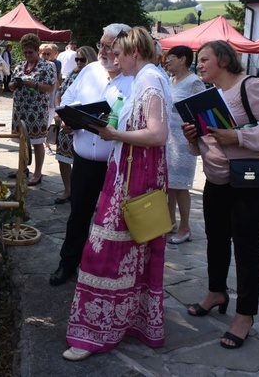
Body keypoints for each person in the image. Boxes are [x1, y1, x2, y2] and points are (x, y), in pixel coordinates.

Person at [63, 26, 172, 361]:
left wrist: (113, 134)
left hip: (134, 177)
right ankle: (126, 321)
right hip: (131, 171)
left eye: (119, 53)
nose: (114, 59)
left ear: (134, 53)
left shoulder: (149, 80)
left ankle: (96, 330)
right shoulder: (147, 78)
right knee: (131, 253)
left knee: (105, 251)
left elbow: (157, 134)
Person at [182, 40, 259, 349]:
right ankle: (216, 292)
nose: (198, 65)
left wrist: (238, 135)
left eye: (204, 59)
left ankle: (245, 314)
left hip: (252, 184)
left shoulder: (250, 87)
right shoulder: (204, 97)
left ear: (224, 61)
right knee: (216, 240)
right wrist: (192, 138)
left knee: (246, 248)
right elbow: (203, 147)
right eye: (197, 61)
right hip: (217, 181)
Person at [48, 23, 133, 286]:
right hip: (84, 159)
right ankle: (68, 263)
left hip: (117, 163)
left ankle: (106, 269)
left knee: (114, 221)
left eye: (109, 47)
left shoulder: (135, 78)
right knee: (78, 215)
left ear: (123, 47)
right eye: (101, 45)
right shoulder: (90, 70)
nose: (103, 51)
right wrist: (68, 119)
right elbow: (69, 99)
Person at [165, 45, 206, 244]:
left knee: (181, 186)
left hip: (184, 139)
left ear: (183, 59)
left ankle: (185, 226)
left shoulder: (194, 82)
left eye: (170, 58)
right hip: (168, 139)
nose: (166, 62)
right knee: (169, 184)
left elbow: (201, 112)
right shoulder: (170, 80)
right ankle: (170, 220)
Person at [10, 33, 57, 186]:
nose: (27, 55)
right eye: (25, 52)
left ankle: (38, 172)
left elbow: (50, 87)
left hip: (36, 110)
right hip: (20, 109)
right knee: (22, 141)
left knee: (37, 142)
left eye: (30, 52)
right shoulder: (19, 66)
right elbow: (10, 85)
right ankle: (22, 169)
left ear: (37, 50)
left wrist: (34, 85)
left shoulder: (47, 66)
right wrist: (14, 85)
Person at [53, 46, 98, 205]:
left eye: (82, 59)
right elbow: (60, 91)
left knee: (81, 161)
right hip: (66, 120)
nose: (78, 62)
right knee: (62, 157)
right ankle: (68, 190)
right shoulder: (73, 73)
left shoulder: (96, 76)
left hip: (82, 124)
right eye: (76, 59)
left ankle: (82, 192)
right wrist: (58, 111)